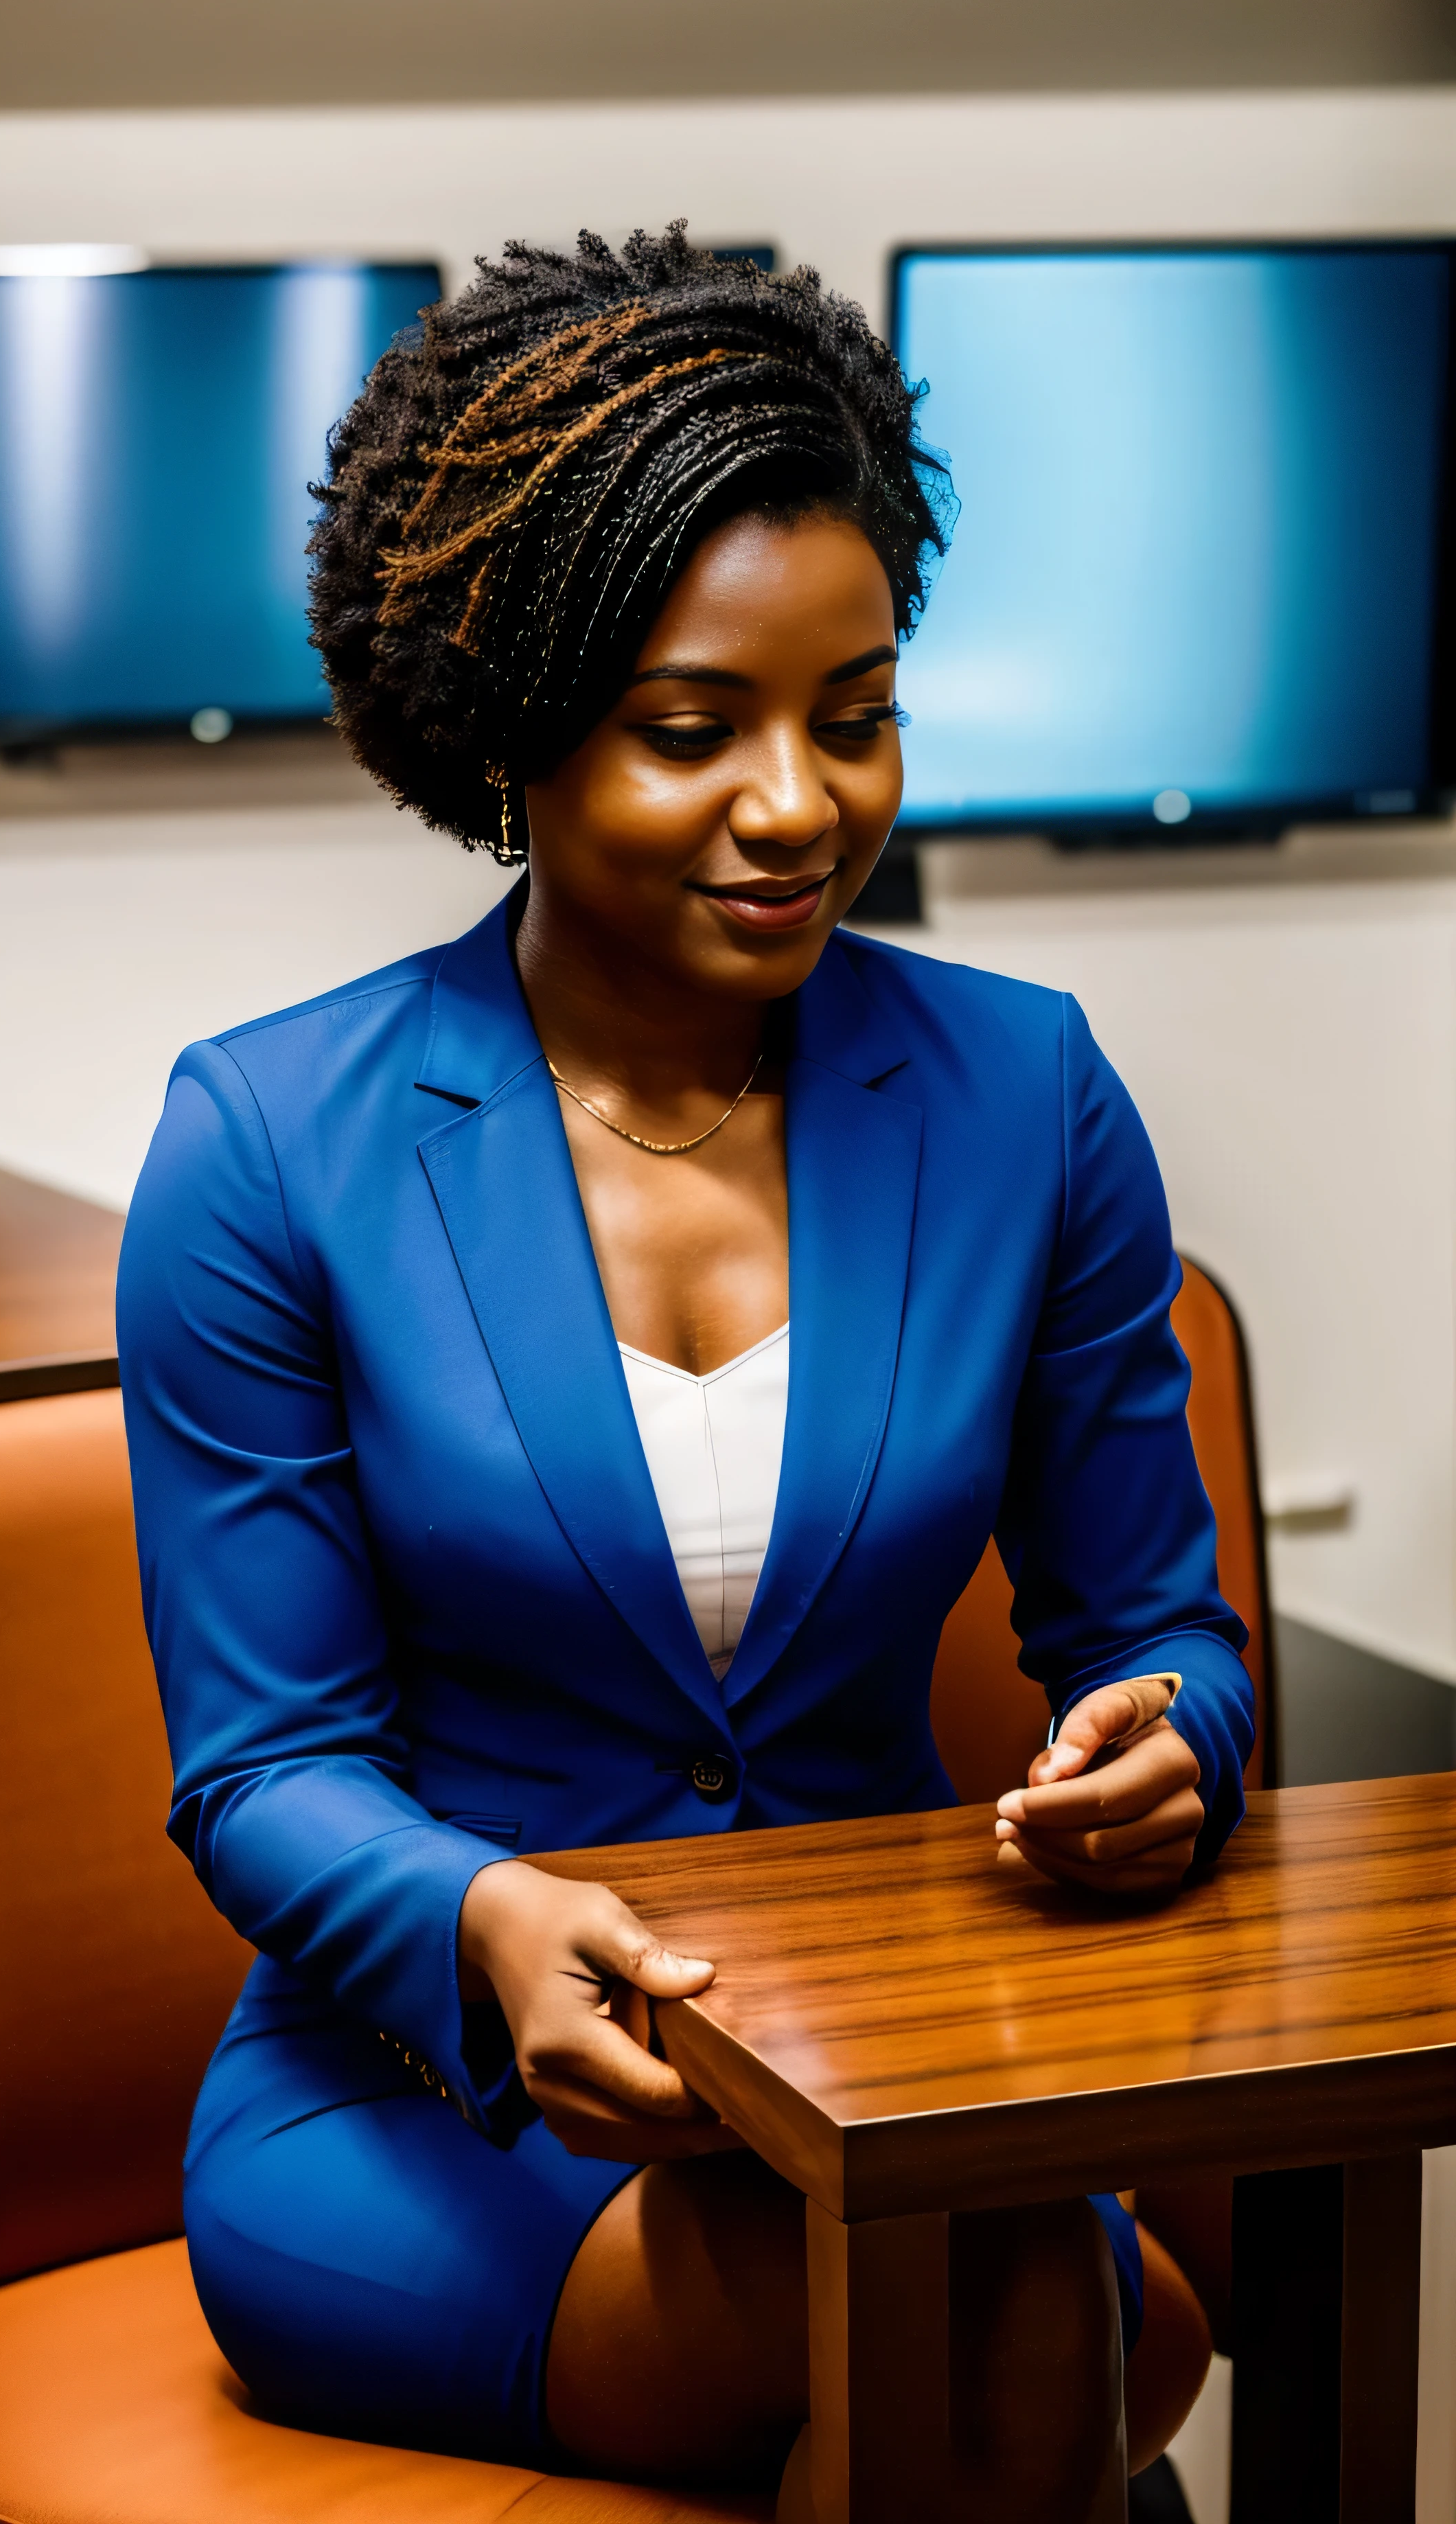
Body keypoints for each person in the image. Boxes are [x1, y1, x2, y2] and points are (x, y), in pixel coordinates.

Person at [117, 227, 1251, 2522]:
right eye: (688, 728)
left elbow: (1157, 1635)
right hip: (442, 2101)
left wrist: (1171, 1750)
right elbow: (263, 1773)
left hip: (902, 2055)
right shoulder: (273, 1147)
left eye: (856, 710)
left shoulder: (1028, 1098)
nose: (798, 804)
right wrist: (485, 1919)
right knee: (1006, 2321)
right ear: (511, 735)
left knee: (987, 2275)